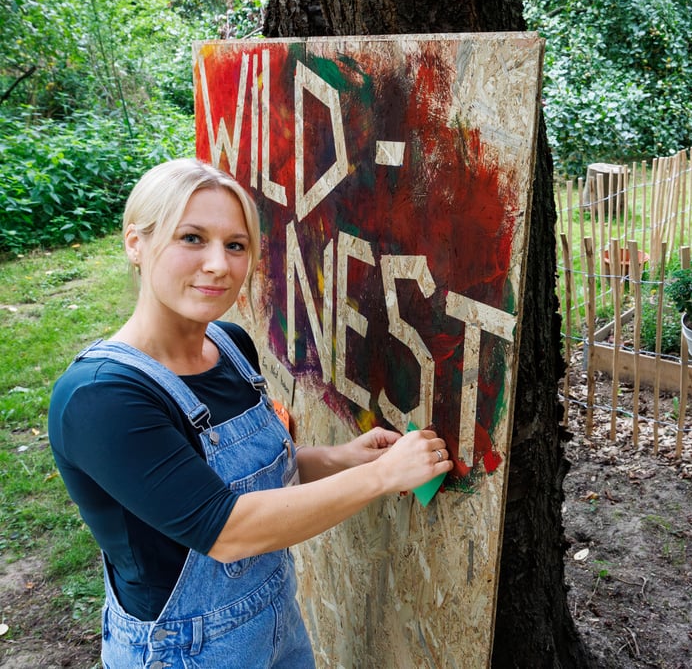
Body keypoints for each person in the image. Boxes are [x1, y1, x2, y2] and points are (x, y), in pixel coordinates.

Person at [48, 158, 453, 668]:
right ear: (136, 243)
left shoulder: (231, 345)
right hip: (183, 651)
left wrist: (342, 459)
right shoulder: (101, 398)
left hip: (274, 621)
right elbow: (227, 529)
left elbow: (242, 478)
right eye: (191, 238)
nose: (219, 264)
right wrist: (382, 478)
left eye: (235, 245)